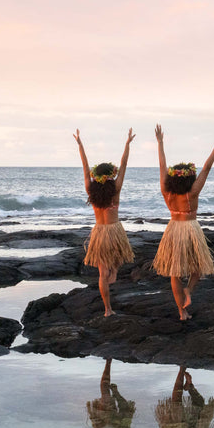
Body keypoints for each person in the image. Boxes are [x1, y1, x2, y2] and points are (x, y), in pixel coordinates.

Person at [152, 125, 214, 320]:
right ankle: (189, 290)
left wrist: (160, 143)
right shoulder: (193, 192)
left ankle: (181, 312)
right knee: (199, 267)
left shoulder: (166, 192)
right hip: (191, 228)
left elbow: (161, 166)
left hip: (173, 229)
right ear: (190, 177)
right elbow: (207, 168)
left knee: (174, 273)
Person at [74, 128, 136, 317]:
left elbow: (84, 167)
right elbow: (124, 164)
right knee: (118, 257)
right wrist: (127, 144)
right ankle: (114, 270)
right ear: (111, 175)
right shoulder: (115, 189)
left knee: (102, 274)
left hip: (100, 233)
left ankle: (107, 309)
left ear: (95, 176)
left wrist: (80, 145)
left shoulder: (90, 190)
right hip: (115, 230)